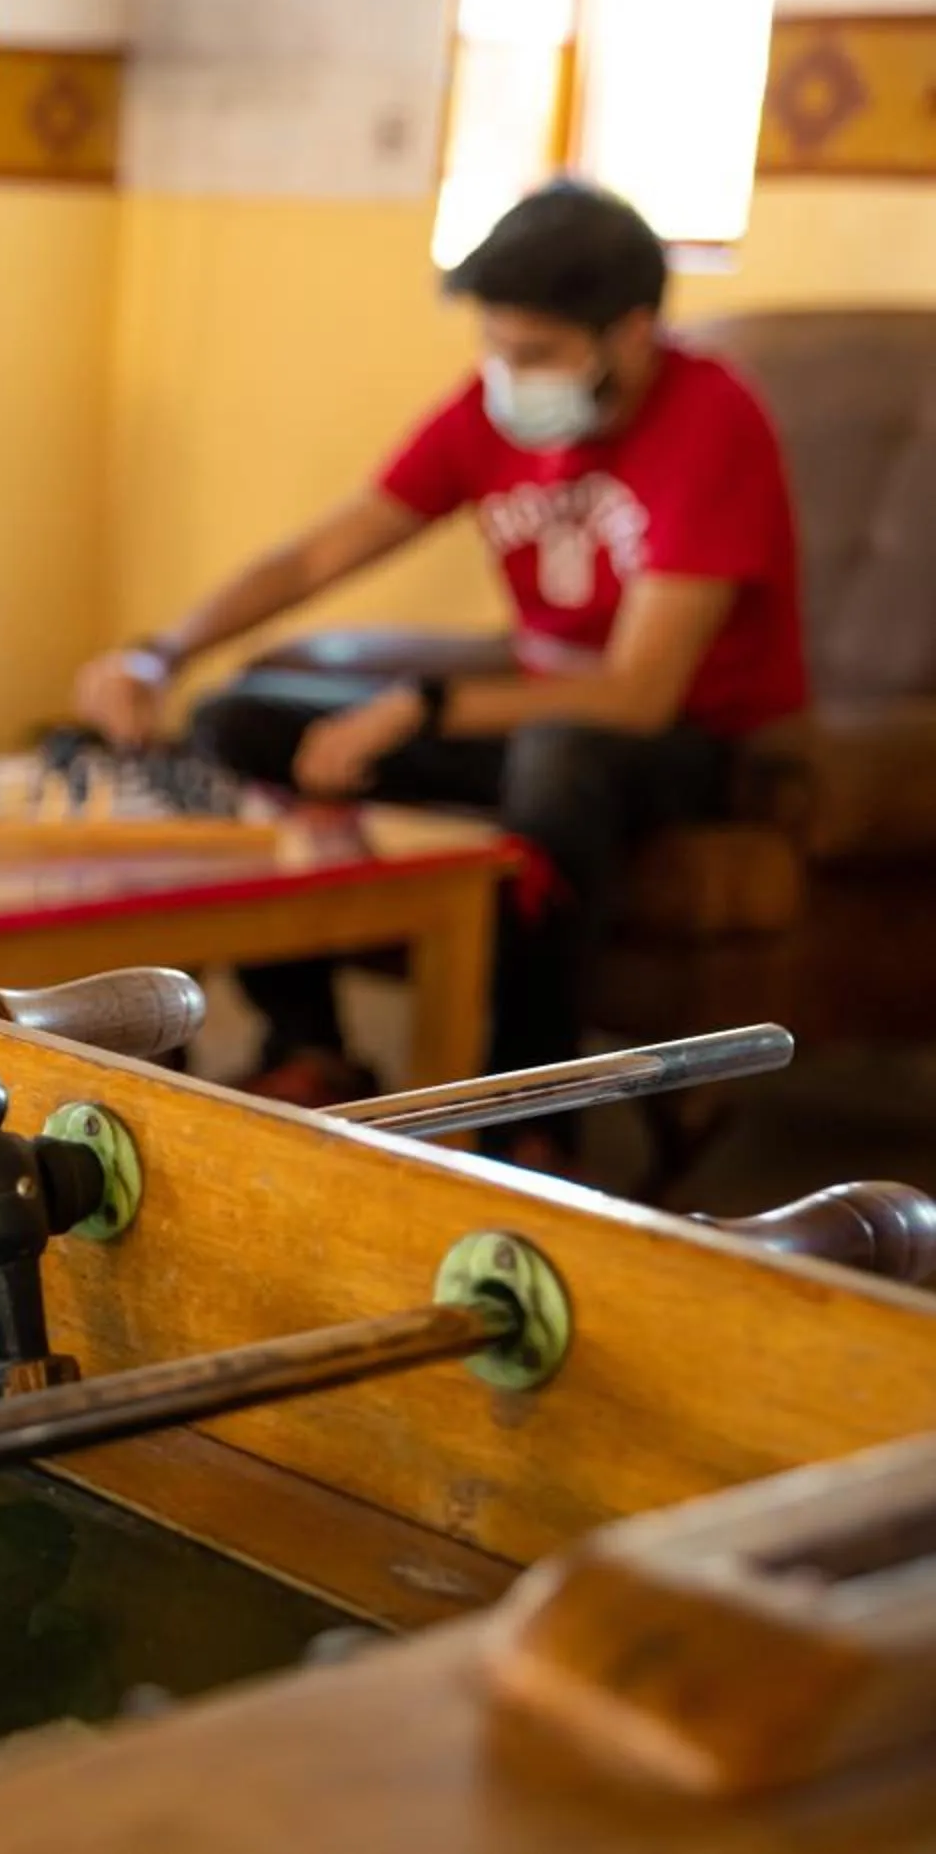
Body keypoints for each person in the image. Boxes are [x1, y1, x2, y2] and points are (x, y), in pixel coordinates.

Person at [70, 180, 806, 1169]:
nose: (508, 373)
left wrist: (417, 708)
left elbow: (640, 694)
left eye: (536, 354)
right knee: (236, 721)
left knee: (560, 762)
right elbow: (313, 559)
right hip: (534, 717)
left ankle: (531, 1121)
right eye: (496, 346)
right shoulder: (487, 414)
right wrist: (158, 650)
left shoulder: (714, 420)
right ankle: (313, 1050)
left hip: (687, 743)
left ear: (631, 333)